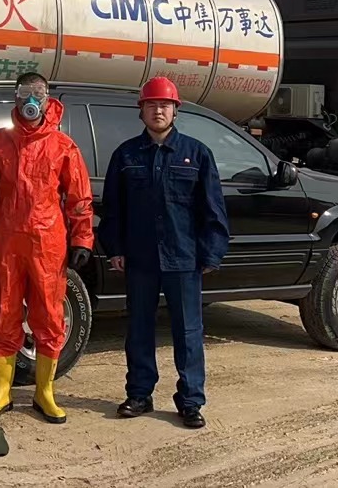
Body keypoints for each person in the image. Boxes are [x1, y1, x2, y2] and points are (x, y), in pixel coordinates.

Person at [97, 76, 230, 429]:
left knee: (188, 332)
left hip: (183, 258)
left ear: (175, 111)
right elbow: (113, 208)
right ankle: (139, 394)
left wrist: (211, 253)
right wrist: (115, 248)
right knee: (139, 328)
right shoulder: (126, 155)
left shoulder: (197, 154)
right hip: (140, 258)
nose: (158, 111)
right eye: (152, 105)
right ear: (141, 111)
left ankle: (190, 401)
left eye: (165, 105)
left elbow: (213, 209)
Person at [0, 72, 94, 423]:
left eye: (37, 93)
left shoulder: (63, 146)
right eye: (25, 93)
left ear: (47, 98)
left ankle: (44, 391)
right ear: (16, 98)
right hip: (7, 240)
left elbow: (79, 197)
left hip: (48, 243)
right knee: (5, 312)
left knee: (49, 315)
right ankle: (3, 390)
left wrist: (82, 238)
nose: (31, 100)